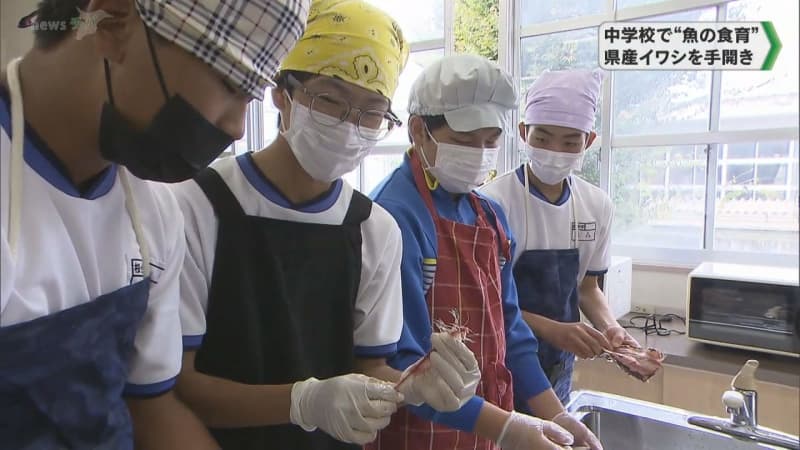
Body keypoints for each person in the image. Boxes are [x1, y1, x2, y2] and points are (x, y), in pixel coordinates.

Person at [171, 2, 481, 449]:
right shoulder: (197, 206)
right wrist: (302, 402)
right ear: (282, 94)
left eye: (372, 112)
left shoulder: (374, 229)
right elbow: (177, 386)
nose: (349, 126)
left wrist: (412, 386)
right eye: (330, 100)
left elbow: (368, 369)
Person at [0, 0, 309, 448]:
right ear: (113, 22)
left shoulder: (155, 213)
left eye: (252, 94)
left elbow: (151, 406)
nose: (238, 127)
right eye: (229, 84)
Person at [366, 54, 602, 450]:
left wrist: (553, 412)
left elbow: (509, 327)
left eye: (490, 141)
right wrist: (509, 428)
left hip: (482, 426)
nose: (478, 153)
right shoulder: (394, 216)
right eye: (462, 141)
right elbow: (402, 363)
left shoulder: (489, 215)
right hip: (417, 432)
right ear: (419, 131)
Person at [480, 69, 640, 407]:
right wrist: (553, 328)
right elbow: (483, 304)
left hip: (559, 363)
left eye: (570, 142)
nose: (555, 150)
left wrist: (610, 327)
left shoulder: (596, 206)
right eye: (542, 137)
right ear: (523, 133)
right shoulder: (491, 203)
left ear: (589, 141)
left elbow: (587, 289)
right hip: (497, 361)